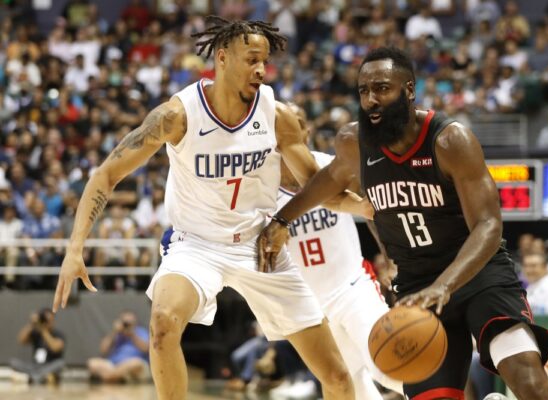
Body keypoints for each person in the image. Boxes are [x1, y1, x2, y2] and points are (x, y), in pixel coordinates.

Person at [53, 16, 366, 400]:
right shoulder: (178, 115)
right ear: (221, 58)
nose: (261, 70)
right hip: (197, 245)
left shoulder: (277, 116)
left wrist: (372, 209)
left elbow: (318, 188)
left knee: (336, 376)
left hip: (259, 246)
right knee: (164, 323)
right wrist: (74, 249)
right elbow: (105, 176)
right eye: (252, 59)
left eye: (265, 62)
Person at [258, 46, 548, 400]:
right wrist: (283, 219)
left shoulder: (450, 140)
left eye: (382, 88)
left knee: (529, 384)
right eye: (364, 91)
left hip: (479, 277)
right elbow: (327, 181)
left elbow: (488, 226)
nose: (372, 100)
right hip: (418, 287)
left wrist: (446, 285)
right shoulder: (354, 142)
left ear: (409, 90)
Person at [277, 104, 404, 399]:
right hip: (311, 307)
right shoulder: (261, 187)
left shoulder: (331, 167)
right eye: (281, 125)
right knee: (348, 383)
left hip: (352, 287)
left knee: (387, 366)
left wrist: (391, 259)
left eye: (297, 123)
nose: (289, 129)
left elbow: (370, 208)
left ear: (306, 132)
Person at [87, 311, 150, 383]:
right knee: (92, 363)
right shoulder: (117, 334)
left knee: (135, 363)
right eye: (124, 323)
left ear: (135, 322)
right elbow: (103, 350)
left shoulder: (141, 332)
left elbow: (146, 348)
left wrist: (132, 335)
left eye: (129, 323)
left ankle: (109, 377)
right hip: (114, 365)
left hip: (133, 364)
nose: (126, 325)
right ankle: (117, 377)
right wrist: (114, 332)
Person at [11, 308, 66, 384]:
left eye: (49, 320)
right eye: (45, 320)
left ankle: (32, 377)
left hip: (49, 365)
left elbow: (55, 347)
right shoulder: (35, 332)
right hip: (35, 365)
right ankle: (42, 377)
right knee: (14, 362)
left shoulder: (58, 334)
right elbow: (21, 340)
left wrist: (44, 331)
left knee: (60, 364)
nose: (47, 322)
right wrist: (32, 324)